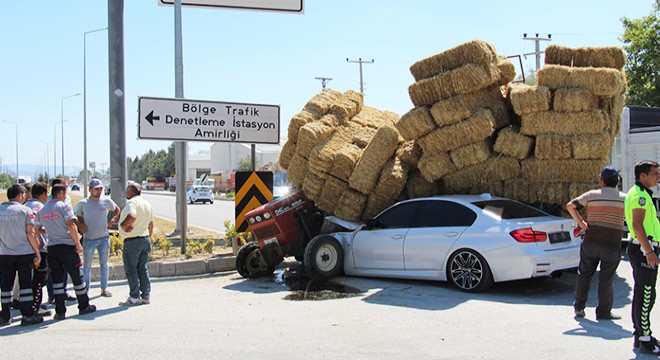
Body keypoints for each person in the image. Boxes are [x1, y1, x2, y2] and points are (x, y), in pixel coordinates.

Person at [567, 166, 626, 320]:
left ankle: (579, 307)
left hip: (591, 243)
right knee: (607, 280)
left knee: (584, 275)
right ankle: (603, 312)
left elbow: (570, 206)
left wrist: (582, 223)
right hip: (612, 245)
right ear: (617, 182)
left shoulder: (592, 195)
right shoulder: (625, 198)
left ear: (602, 181)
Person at [36, 184, 96, 320]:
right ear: (61, 193)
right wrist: (77, 243)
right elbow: (71, 225)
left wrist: (49, 231)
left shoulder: (43, 210)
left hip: (52, 248)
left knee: (57, 280)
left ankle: (60, 311)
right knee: (77, 278)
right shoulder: (64, 207)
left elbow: (36, 229)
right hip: (67, 247)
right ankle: (84, 306)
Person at [625, 160, 660, 354]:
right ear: (643, 176)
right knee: (646, 295)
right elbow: (638, 225)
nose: (658, 177)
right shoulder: (640, 196)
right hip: (643, 250)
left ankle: (641, 334)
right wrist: (650, 252)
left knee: (642, 294)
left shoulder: (641, 193)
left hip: (642, 248)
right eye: (655, 173)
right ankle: (645, 339)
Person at [0, 184, 44, 326]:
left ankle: (5, 316)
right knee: (25, 286)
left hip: (5, 254)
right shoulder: (25, 210)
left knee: (6, 287)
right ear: (20, 195)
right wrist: (37, 252)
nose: (25, 198)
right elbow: (31, 233)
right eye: (24, 195)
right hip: (24, 253)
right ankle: (27, 316)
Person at [74, 178, 120, 297]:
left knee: (104, 264)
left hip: (104, 238)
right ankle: (86, 290)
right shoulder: (83, 203)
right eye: (96, 189)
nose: (99, 191)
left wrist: (113, 219)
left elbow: (117, 209)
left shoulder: (106, 201)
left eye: (100, 189)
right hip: (89, 239)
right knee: (87, 266)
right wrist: (81, 224)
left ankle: (104, 288)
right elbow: (76, 215)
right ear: (90, 190)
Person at [118, 182, 153, 306]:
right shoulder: (147, 203)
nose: (126, 191)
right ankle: (146, 296)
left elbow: (132, 216)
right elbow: (151, 224)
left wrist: (123, 225)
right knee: (142, 269)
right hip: (144, 239)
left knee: (131, 269)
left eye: (127, 189)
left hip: (133, 241)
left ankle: (134, 297)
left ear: (131, 191)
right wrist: (149, 237)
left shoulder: (132, 203)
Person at [45, 177, 75, 304]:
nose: (66, 189)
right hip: (53, 240)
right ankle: (53, 295)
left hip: (65, 239)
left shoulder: (67, 199)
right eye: (64, 187)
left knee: (64, 270)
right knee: (53, 271)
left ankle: (63, 292)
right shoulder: (48, 202)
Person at [24, 182, 52, 317]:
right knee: (39, 280)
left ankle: (31, 305)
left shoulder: (25, 205)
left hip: (26, 248)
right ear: (43, 194)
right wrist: (40, 244)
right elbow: (35, 228)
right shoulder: (40, 207)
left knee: (31, 279)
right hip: (38, 248)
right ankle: (35, 308)